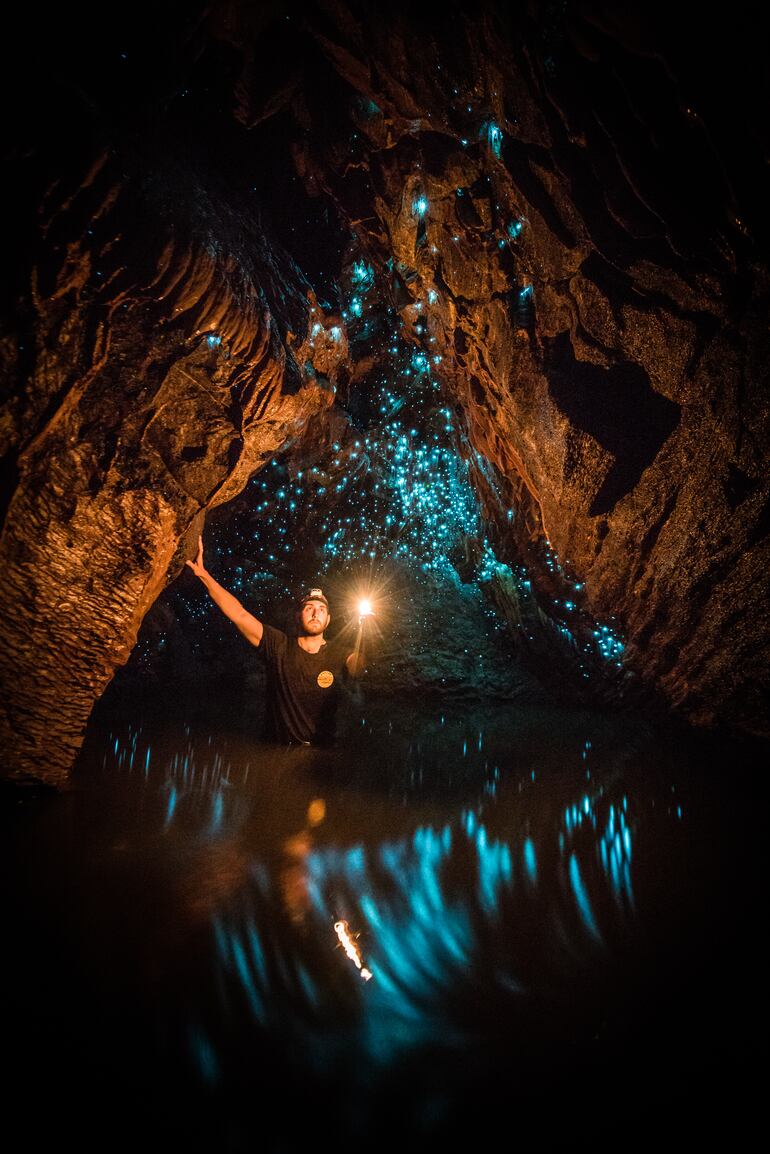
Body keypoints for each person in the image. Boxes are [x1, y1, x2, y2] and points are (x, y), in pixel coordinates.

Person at [185, 535, 370, 746]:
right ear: (298, 616)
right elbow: (239, 614)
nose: (315, 614)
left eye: (321, 610)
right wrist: (203, 575)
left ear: (328, 620)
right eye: (309, 608)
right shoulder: (278, 645)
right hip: (277, 750)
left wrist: (363, 637)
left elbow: (357, 665)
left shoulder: (340, 653)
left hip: (320, 756)